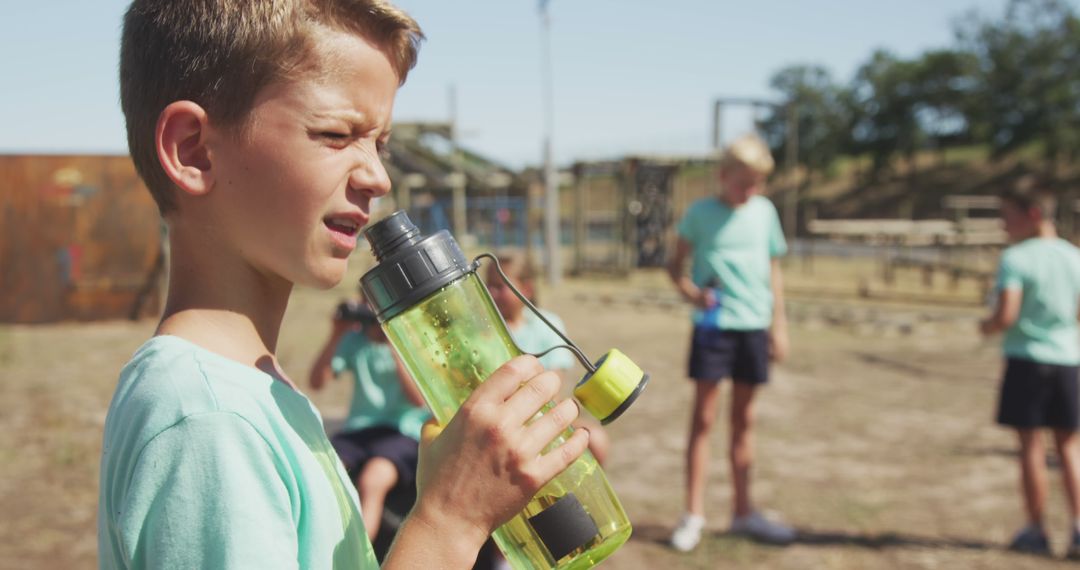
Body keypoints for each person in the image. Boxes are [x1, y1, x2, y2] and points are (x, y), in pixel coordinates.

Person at [97, 2, 590, 568]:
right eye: (336, 134)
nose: (378, 177)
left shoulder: (243, 388)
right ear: (194, 150)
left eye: (378, 143)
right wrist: (450, 519)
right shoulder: (210, 420)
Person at [665, 133, 794, 551]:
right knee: (703, 421)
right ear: (723, 176)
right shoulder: (700, 214)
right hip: (712, 328)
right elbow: (675, 265)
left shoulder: (765, 212)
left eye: (758, 183)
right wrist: (690, 292)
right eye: (744, 183)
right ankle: (693, 515)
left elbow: (774, 270)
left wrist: (779, 325)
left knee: (744, 422)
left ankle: (743, 512)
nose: (751, 191)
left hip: (753, 328)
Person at [979, 175, 1080, 558]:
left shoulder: (1016, 258)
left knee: (1031, 448)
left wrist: (986, 326)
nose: (1004, 225)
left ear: (1032, 214)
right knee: (1070, 449)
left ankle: (1036, 530)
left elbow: (1006, 314)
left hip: (1027, 363)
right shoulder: (1075, 256)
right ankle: (1078, 528)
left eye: (1008, 216)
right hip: (1068, 360)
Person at [308, 295, 430, 542]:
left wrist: (394, 346)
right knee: (323, 474)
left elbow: (418, 400)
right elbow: (317, 382)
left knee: (372, 481)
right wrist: (336, 335)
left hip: (401, 431)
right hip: (359, 429)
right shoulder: (355, 341)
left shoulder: (410, 340)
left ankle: (360, 558)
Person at [484, 254, 611, 465]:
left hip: (545, 415)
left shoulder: (547, 324)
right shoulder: (482, 332)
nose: (491, 293)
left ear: (526, 289)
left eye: (500, 286)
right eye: (488, 285)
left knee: (595, 439)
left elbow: (554, 388)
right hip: (500, 422)